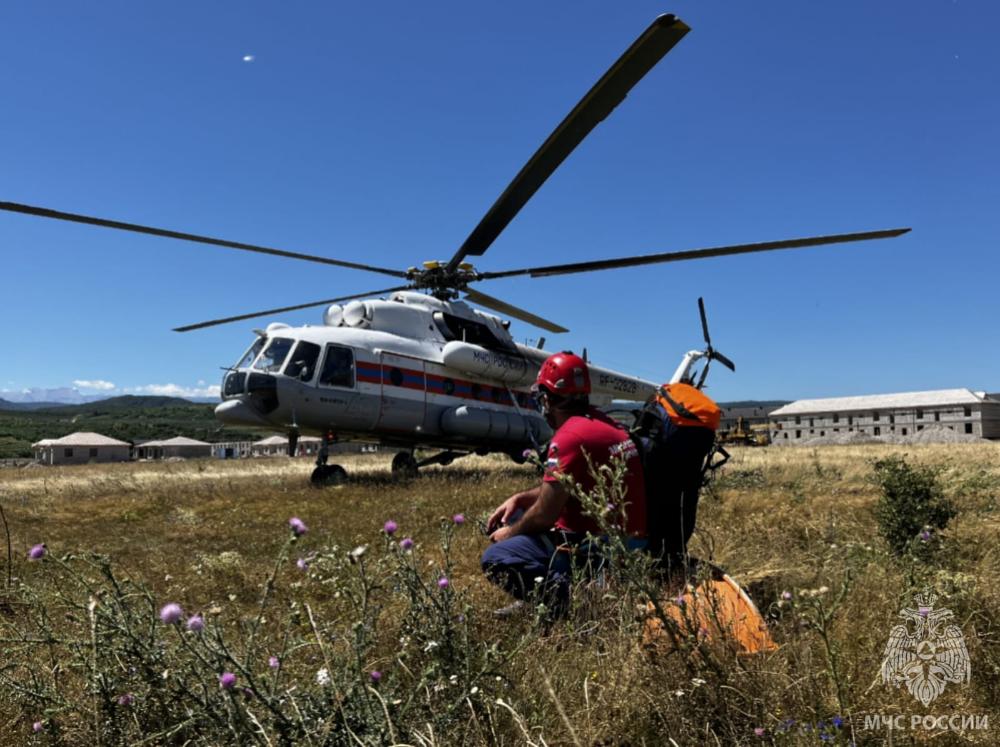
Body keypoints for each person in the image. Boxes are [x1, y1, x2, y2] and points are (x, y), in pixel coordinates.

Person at [481, 351, 647, 617]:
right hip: (629, 542)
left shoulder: (569, 437)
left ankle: (573, 604)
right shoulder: (605, 424)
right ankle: (549, 590)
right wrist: (521, 498)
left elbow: (544, 515)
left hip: (597, 548)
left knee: (496, 557)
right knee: (522, 512)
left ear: (547, 399)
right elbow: (571, 485)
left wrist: (508, 534)